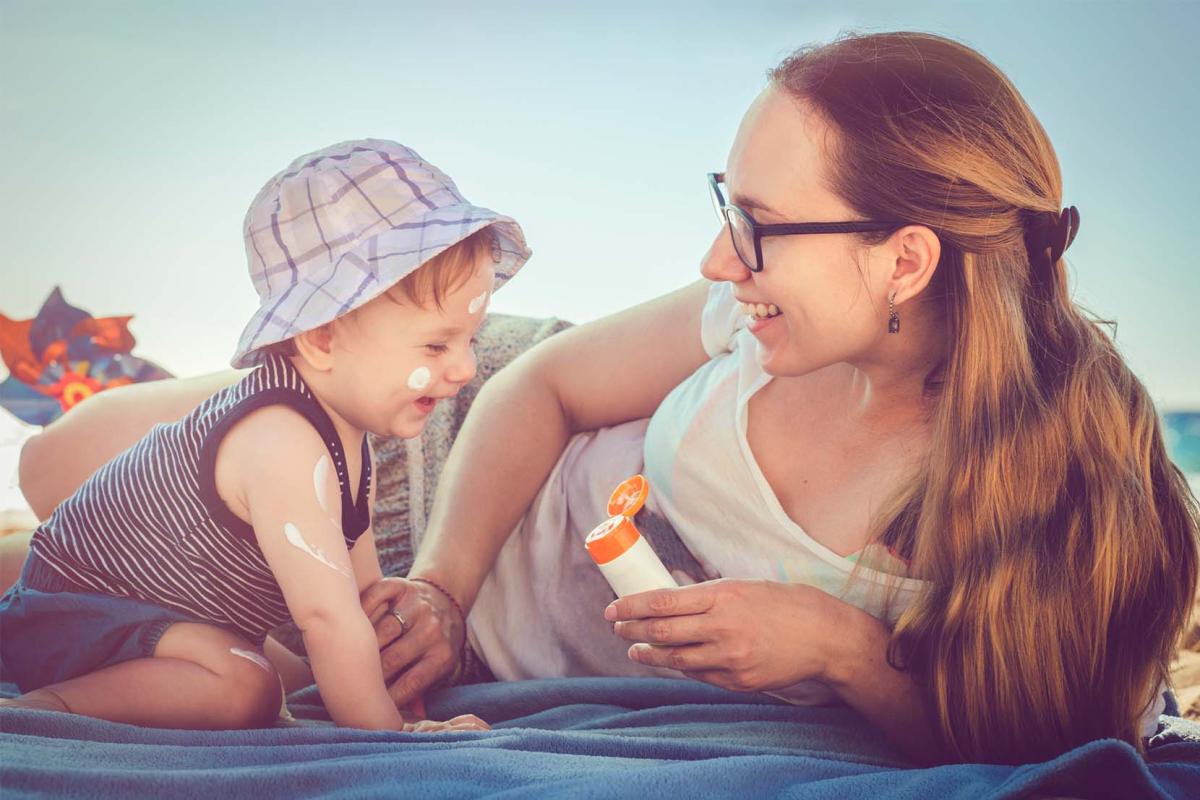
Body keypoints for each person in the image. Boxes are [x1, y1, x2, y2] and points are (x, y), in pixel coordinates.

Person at [14, 33, 1198, 765]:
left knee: (164, 609)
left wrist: (846, 650)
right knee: (57, 463)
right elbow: (545, 379)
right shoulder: (749, 313)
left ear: (906, 259)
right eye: (726, 203)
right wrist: (439, 577)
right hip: (459, 456)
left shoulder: (1054, 476)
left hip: (461, 602)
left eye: (759, 226)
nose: (716, 257)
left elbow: (1047, 731)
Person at [0, 139, 529, 733]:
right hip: (81, 619)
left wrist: (401, 702)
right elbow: (326, 619)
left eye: (470, 341)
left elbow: (362, 606)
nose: (464, 369)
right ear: (322, 339)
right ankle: (44, 711)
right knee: (249, 688)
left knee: (305, 678)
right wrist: (392, 737)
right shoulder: (280, 440)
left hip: (170, 621)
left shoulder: (347, 440)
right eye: (436, 345)